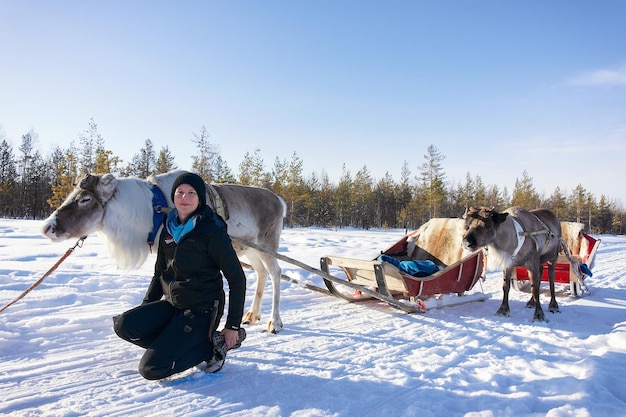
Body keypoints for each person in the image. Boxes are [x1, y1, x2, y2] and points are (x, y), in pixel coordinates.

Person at [113, 172, 247, 380]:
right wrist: (146, 307)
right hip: (173, 305)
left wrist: (232, 326)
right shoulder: (168, 228)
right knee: (124, 325)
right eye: (180, 193)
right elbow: (159, 274)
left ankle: (211, 348)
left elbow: (237, 279)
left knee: (151, 369)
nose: (185, 198)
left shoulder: (211, 232)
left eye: (191, 193)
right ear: (174, 196)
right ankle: (178, 345)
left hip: (201, 310)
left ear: (200, 198)